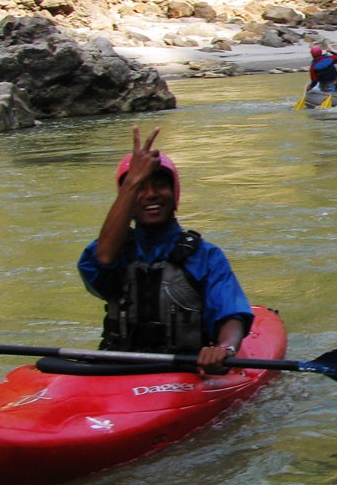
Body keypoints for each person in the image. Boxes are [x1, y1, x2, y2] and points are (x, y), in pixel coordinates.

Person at [77, 127, 254, 372]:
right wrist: (132, 180)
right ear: (126, 196)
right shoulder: (107, 252)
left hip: (184, 371)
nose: (150, 195)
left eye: (160, 186)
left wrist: (225, 348)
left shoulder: (205, 255)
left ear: (174, 193)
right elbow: (104, 259)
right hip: (117, 369)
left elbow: (232, 315)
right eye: (140, 188)